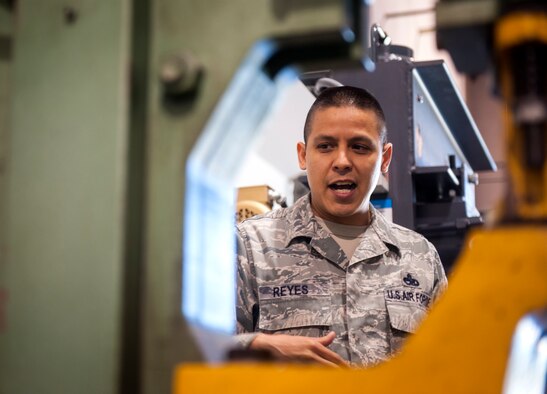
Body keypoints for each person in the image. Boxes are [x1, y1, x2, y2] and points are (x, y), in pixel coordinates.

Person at [235, 85, 447, 367]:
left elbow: (449, 363)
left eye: (359, 147)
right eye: (325, 146)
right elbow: (194, 352)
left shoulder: (421, 258)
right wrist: (257, 347)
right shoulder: (250, 247)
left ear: (384, 158)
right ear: (302, 154)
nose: (343, 162)